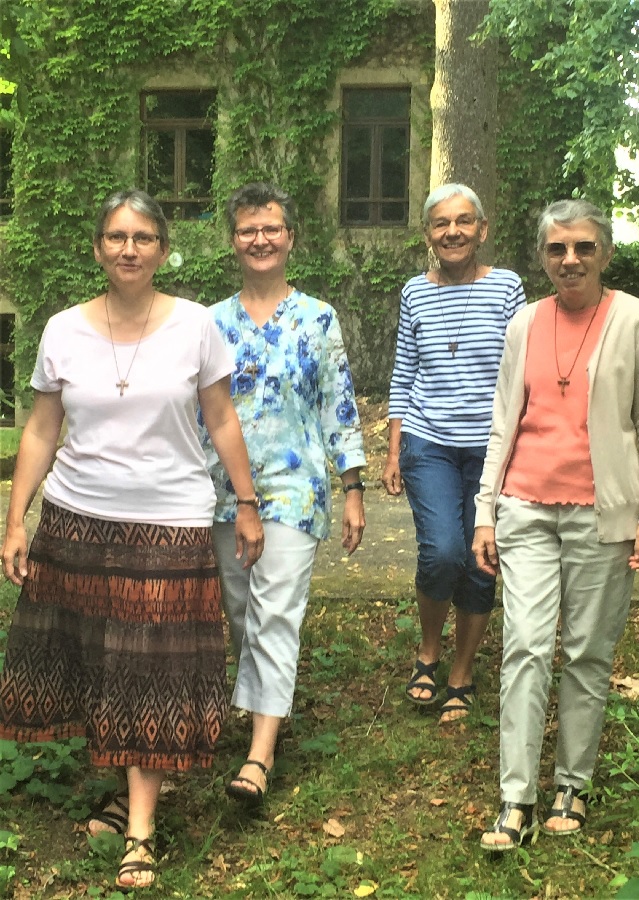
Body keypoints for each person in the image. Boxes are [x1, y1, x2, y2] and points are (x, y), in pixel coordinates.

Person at [0, 189, 264, 890]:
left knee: (149, 669)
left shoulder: (194, 327)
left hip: (169, 522)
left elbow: (222, 418)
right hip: (77, 521)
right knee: (101, 664)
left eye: (143, 237)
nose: (128, 248)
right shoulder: (62, 330)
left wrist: (246, 503)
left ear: (162, 249)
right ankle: (131, 789)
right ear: (98, 247)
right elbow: (41, 429)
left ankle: (140, 830)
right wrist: (14, 518)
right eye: (116, 236)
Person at [473, 199, 639, 851]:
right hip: (525, 507)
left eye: (583, 247)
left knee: (586, 653)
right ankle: (514, 796)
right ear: (541, 257)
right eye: (556, 249)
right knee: (525, 646)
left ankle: (570, 784)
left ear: (605, 253)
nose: (570, 259)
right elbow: (503, 421)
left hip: (601, 514)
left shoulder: (633, 318)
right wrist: (484, 511)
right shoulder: (523, 323)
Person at [200, 181, 366, 804]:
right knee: (241, 612)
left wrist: (352, 485)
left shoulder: (318, 317)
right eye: (248, 230)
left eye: (271, 228)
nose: (260, 239)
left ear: (291, 237)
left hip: (297, 490)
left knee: (277, 611)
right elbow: (197, 413)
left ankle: (259, 755)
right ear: (234, 241)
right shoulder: (209, 322)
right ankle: (267, 708)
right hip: (222, 492)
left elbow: (338, 404)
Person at [382, 183, 526, 725]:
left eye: (464, 222)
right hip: (429, 441)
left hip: (492, 449)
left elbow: (521, 371)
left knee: (479, 560)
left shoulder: (508, 288)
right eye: (441, 224)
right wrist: (394, 450)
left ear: (482, 230)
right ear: (428, 236)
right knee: (442, 551)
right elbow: (404, 373)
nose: (453, 232)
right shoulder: (415, 292)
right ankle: (428, 651)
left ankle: (461, 672)